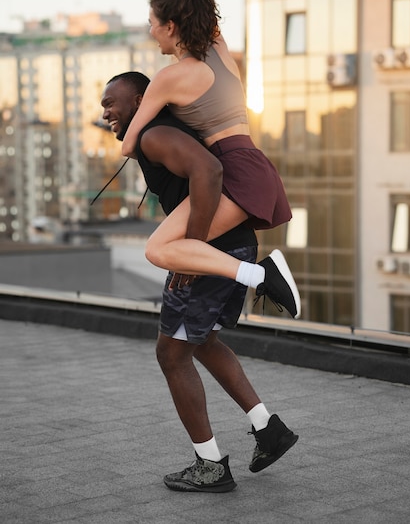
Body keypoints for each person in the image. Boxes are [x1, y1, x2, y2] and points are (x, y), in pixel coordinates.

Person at [100, 71, 299, 493]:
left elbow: (208, 171)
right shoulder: (160, 131)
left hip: (212, 252)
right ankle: (268, 429)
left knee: (171, 354)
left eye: (111, 102)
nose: (105, 112)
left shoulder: (154, 134)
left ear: (140, 100)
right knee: (201, 340)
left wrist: (192, 248)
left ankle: (210, 466)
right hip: (232, 244)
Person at [121, 0, 301, 320]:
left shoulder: (169, 78)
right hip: (253, 163)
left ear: (170, 27)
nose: (150, 30)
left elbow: (128, 143)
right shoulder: (219, 50)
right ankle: (258, 274)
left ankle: (261, 274)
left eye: (153, 23)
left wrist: (146, 121)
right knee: (179, 248)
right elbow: (207, 7)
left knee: (158, 249)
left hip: (232, 171)